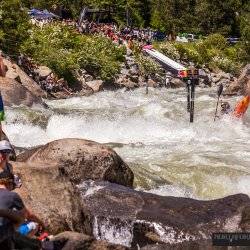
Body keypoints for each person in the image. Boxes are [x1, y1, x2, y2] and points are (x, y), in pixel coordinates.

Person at [0, 171, 44, 249]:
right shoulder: (12, 196)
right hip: (2, 236)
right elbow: (28, 215)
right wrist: (41, 223)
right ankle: (18, 245)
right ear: (10, 183)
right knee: (34, 224)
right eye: (13, 186)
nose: (12, 189)